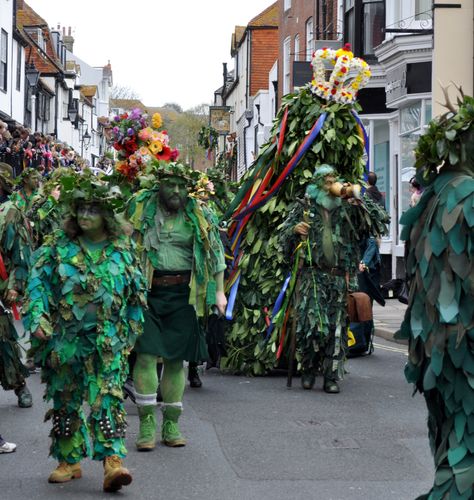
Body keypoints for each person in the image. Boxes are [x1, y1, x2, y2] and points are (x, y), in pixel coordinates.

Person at [23, 173, 146, 492]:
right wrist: (37, 318)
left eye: (93, 209)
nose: (86, 215)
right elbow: (37, 282)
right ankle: (68, 460)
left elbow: (135, 294)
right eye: (81, 209)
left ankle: (112, 463)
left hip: (108, 342)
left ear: (106, 215)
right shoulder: (57, 247)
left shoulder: (121, 249)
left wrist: (130, 331)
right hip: (65, 340)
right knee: (65, 400)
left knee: (107, 398)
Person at [396, 94, 474, 499]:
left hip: (433, 346)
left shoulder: (432, 196)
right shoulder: (468, 196)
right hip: (464, 346)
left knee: (449, 434)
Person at [127, 161, 227, 451]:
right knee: (145, 357)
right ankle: (146, 423)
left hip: (184, 296)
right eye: (170, 184)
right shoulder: (140, 208)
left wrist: (219, 292)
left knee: (175, 361)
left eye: (182, 186)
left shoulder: (199, 214)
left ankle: (171, 423)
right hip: (147, 293)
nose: (176, 191)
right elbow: (120, 242)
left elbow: (214, 254)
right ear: (159, 185)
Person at [282, 165, 388, 393]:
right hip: (312, 276)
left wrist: (359, 198)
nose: (332, 184)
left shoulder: (347, 209)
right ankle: (309, 369)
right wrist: (294, 233)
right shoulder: (304, 209)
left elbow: (377, 222)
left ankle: (331, 376)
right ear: (318, 184)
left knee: (336, 329)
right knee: (312, 328)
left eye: (333, 179)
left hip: (339, 278)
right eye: (327, 181)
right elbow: (283, 245)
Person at [0, 162, 34, 408]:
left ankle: (20, 384)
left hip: (2, 281)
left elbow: (20, 252)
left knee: (3, 339)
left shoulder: (10, 211)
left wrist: (15, 285)